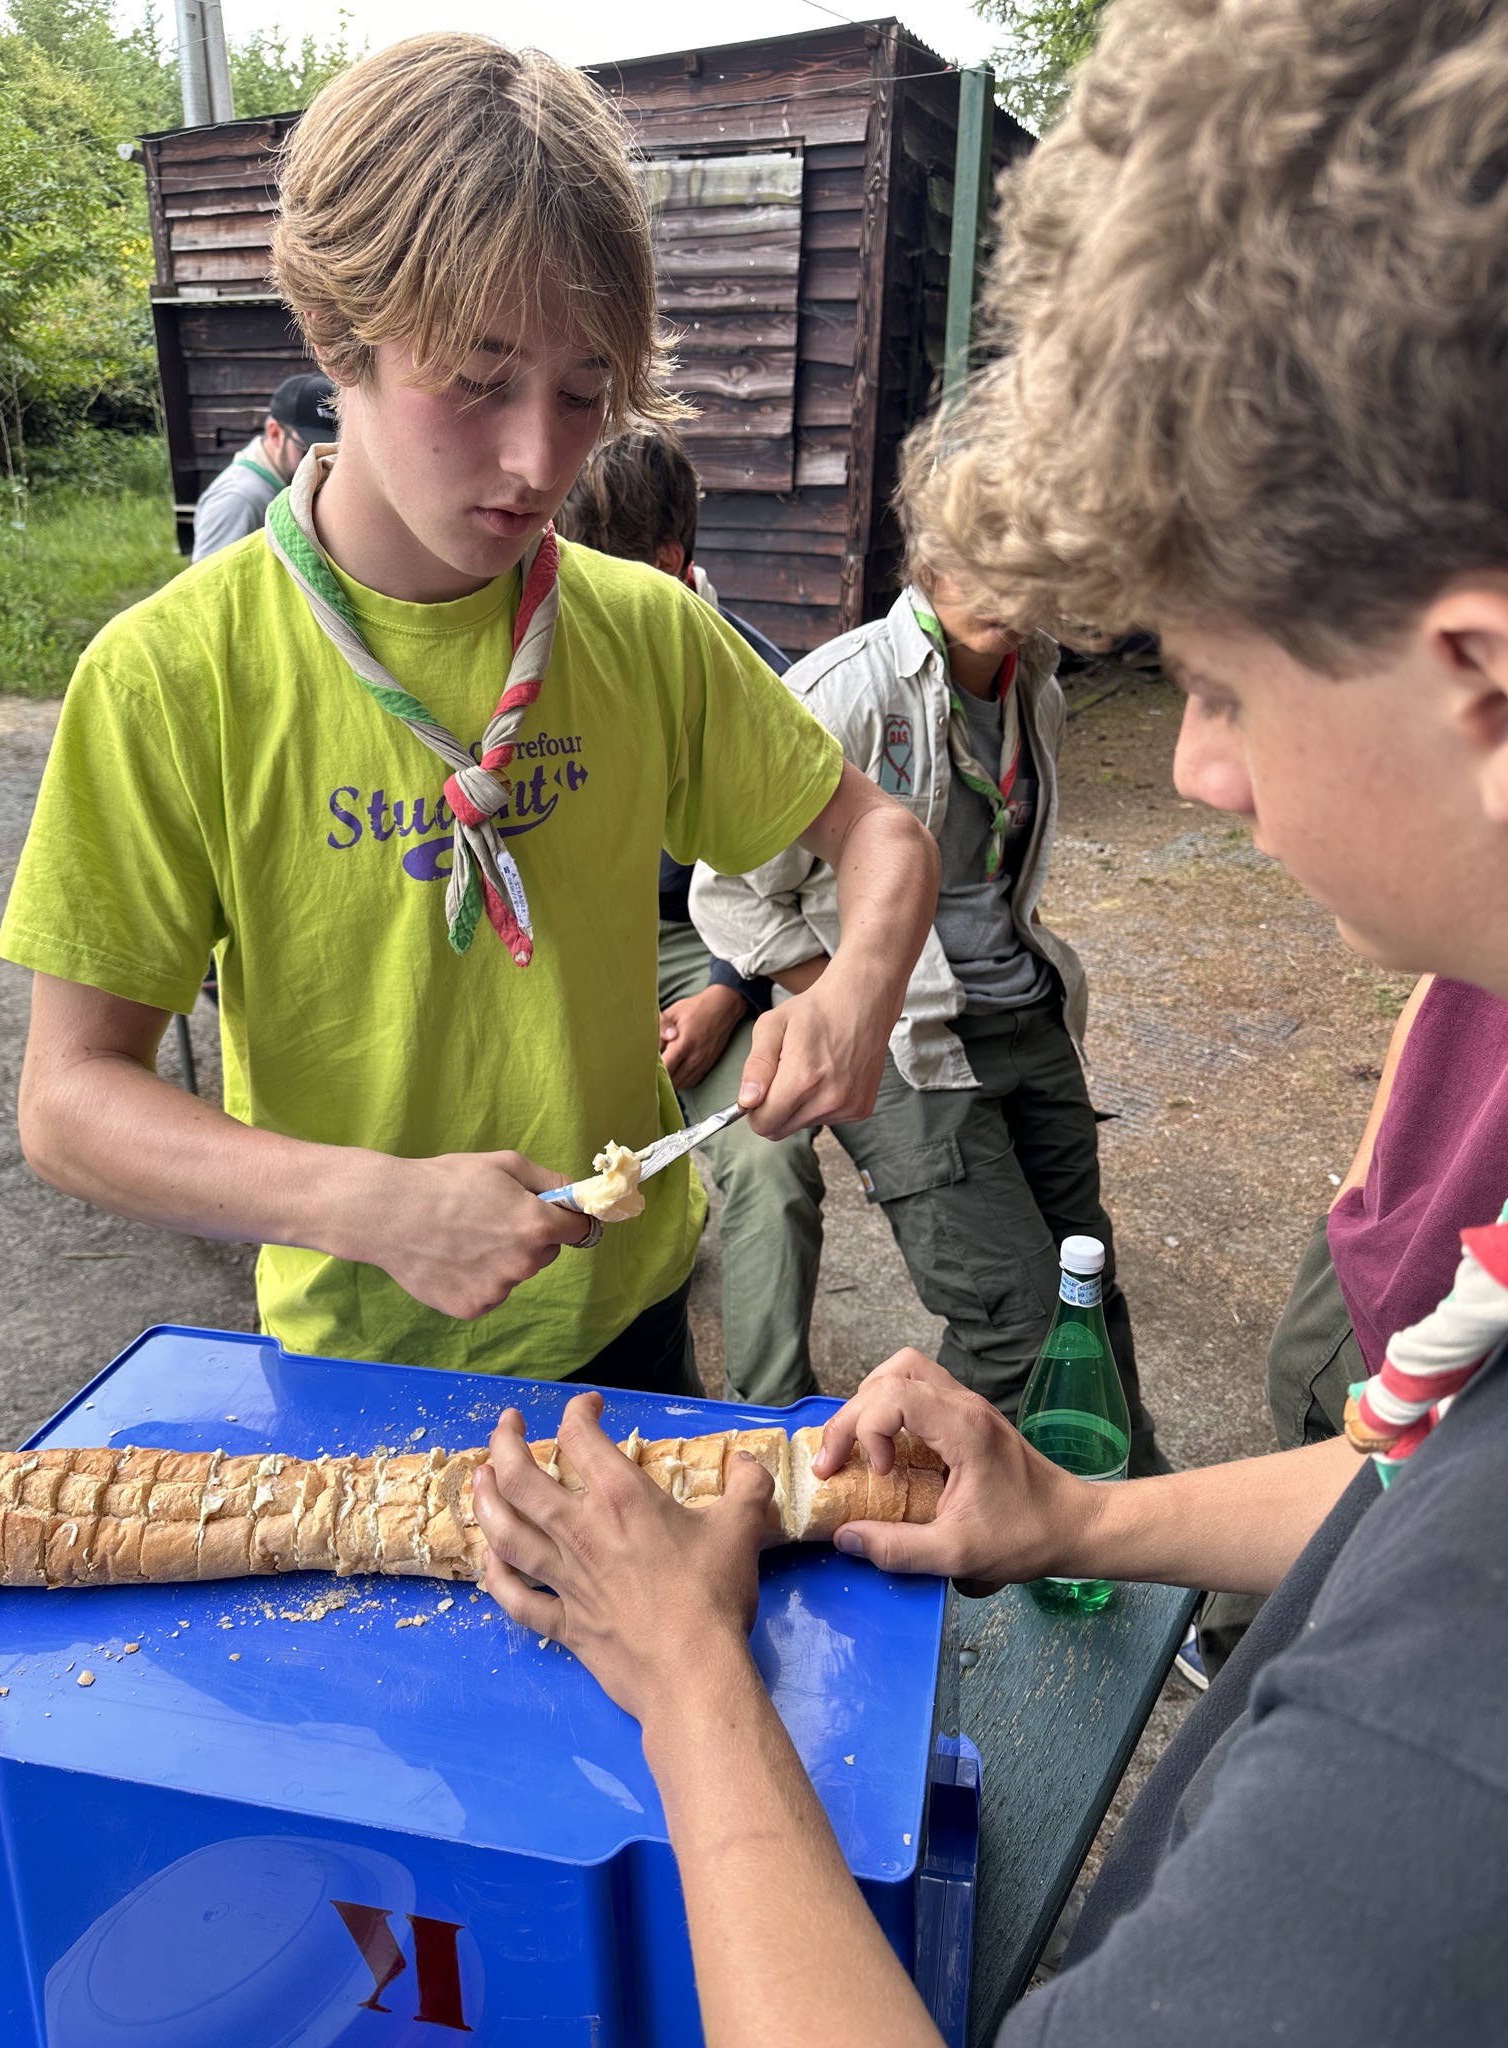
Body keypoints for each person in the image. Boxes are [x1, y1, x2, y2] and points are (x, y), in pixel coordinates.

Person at [470, 2, 1508, 2040]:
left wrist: (690, 1677)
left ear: (1478, 680)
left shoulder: (1436, 1749)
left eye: (1219, 687)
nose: (1197, 769)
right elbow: (1428, 1483)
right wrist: (1085, 1513)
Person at [0, 34, 939, 1402]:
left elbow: (882, 834)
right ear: (340, 334)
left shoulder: (645, 631)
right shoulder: (172, 676)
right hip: (353, 1355)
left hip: (628, 1328)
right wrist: (366, 1203)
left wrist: (859, 986)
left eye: (584, 392)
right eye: (479, 378)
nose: (540, 459)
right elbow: (70, 1101)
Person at [691, 418, 1164, 1471]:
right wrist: (847, 997)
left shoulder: (1037, 686)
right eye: (971, 556)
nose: (999, 585)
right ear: (927, 555)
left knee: (1086, 1292)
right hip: (912, 1049)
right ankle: (885, 1497)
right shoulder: (847, 690)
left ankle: (1138, 1513)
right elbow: (728, 893)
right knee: (1015, 1324)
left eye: (1025, 557)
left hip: (1026, 1016)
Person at [559, 425, 826, 1406]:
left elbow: (790, 889)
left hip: (700, 947)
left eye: (598, 570)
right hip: (554, 936)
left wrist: (729, 993)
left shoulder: (765, 681)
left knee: (771, 1155)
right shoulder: (530, 652)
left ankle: (768, 1422)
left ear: (671, 563)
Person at [1191, 970, 1508, 1676]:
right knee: (1279, 1594)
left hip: (1425, 1325)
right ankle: (1227, 1653)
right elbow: (1440, 994)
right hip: (1386, 1287)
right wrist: (1361, 1196)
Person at [189, 371, 339, 562]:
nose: (321, 462)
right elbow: (212, 579)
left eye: (331, 453)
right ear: (275, 433)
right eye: (307, 450)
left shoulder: (281, 484)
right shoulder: (237, 501)